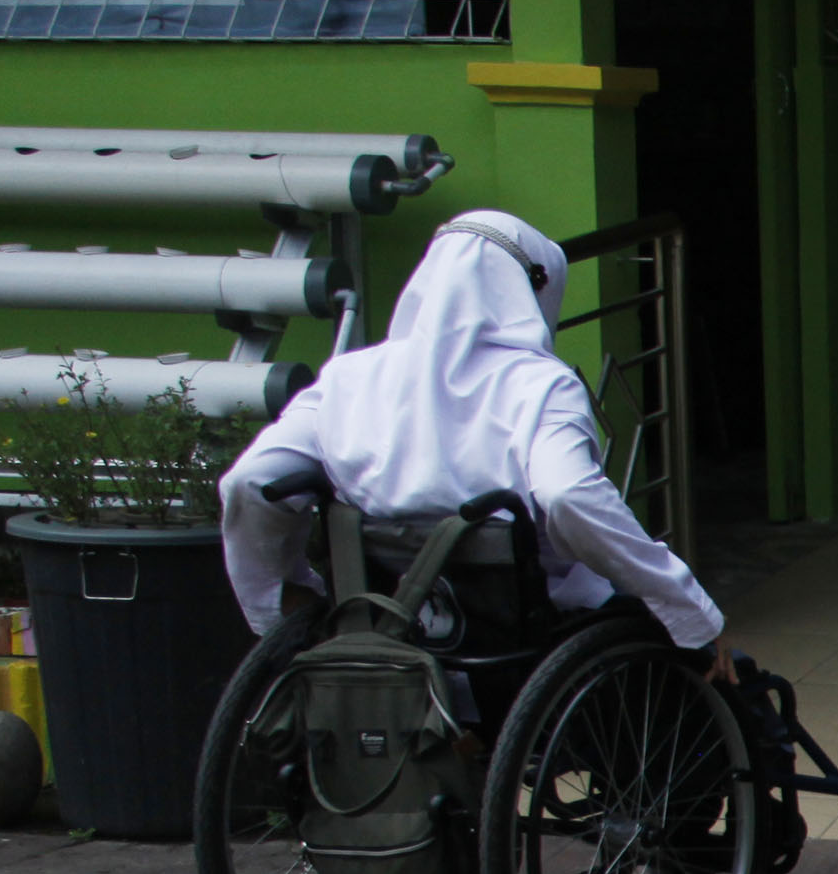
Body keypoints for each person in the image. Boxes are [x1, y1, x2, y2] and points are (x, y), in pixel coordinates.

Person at [216, 208, 731, 675]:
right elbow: (569, 495)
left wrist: (286, 599)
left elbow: (252, 481)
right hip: (533, 627)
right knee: (721, 671)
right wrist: (688, 607)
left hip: (385, 618)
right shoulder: (541, 387)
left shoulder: (346, 379)